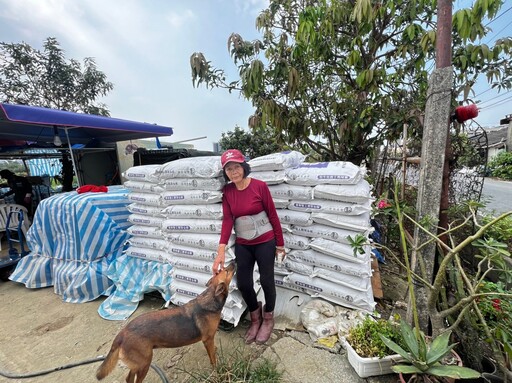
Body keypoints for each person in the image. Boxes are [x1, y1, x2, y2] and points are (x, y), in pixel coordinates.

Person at [212, 149, 285, 345]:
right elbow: (228, 220)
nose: (233, 172)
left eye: (236, 167)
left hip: (265, 241)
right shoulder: (227, 192)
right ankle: (255, 317)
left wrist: (280, 244)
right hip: (244, 244)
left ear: (244, 167)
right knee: (244, 283)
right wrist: (220, 252)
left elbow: (272, 215)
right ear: (225, 172)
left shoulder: (259, 187)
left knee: (267, 280)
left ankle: (268, 318)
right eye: (229, 169)